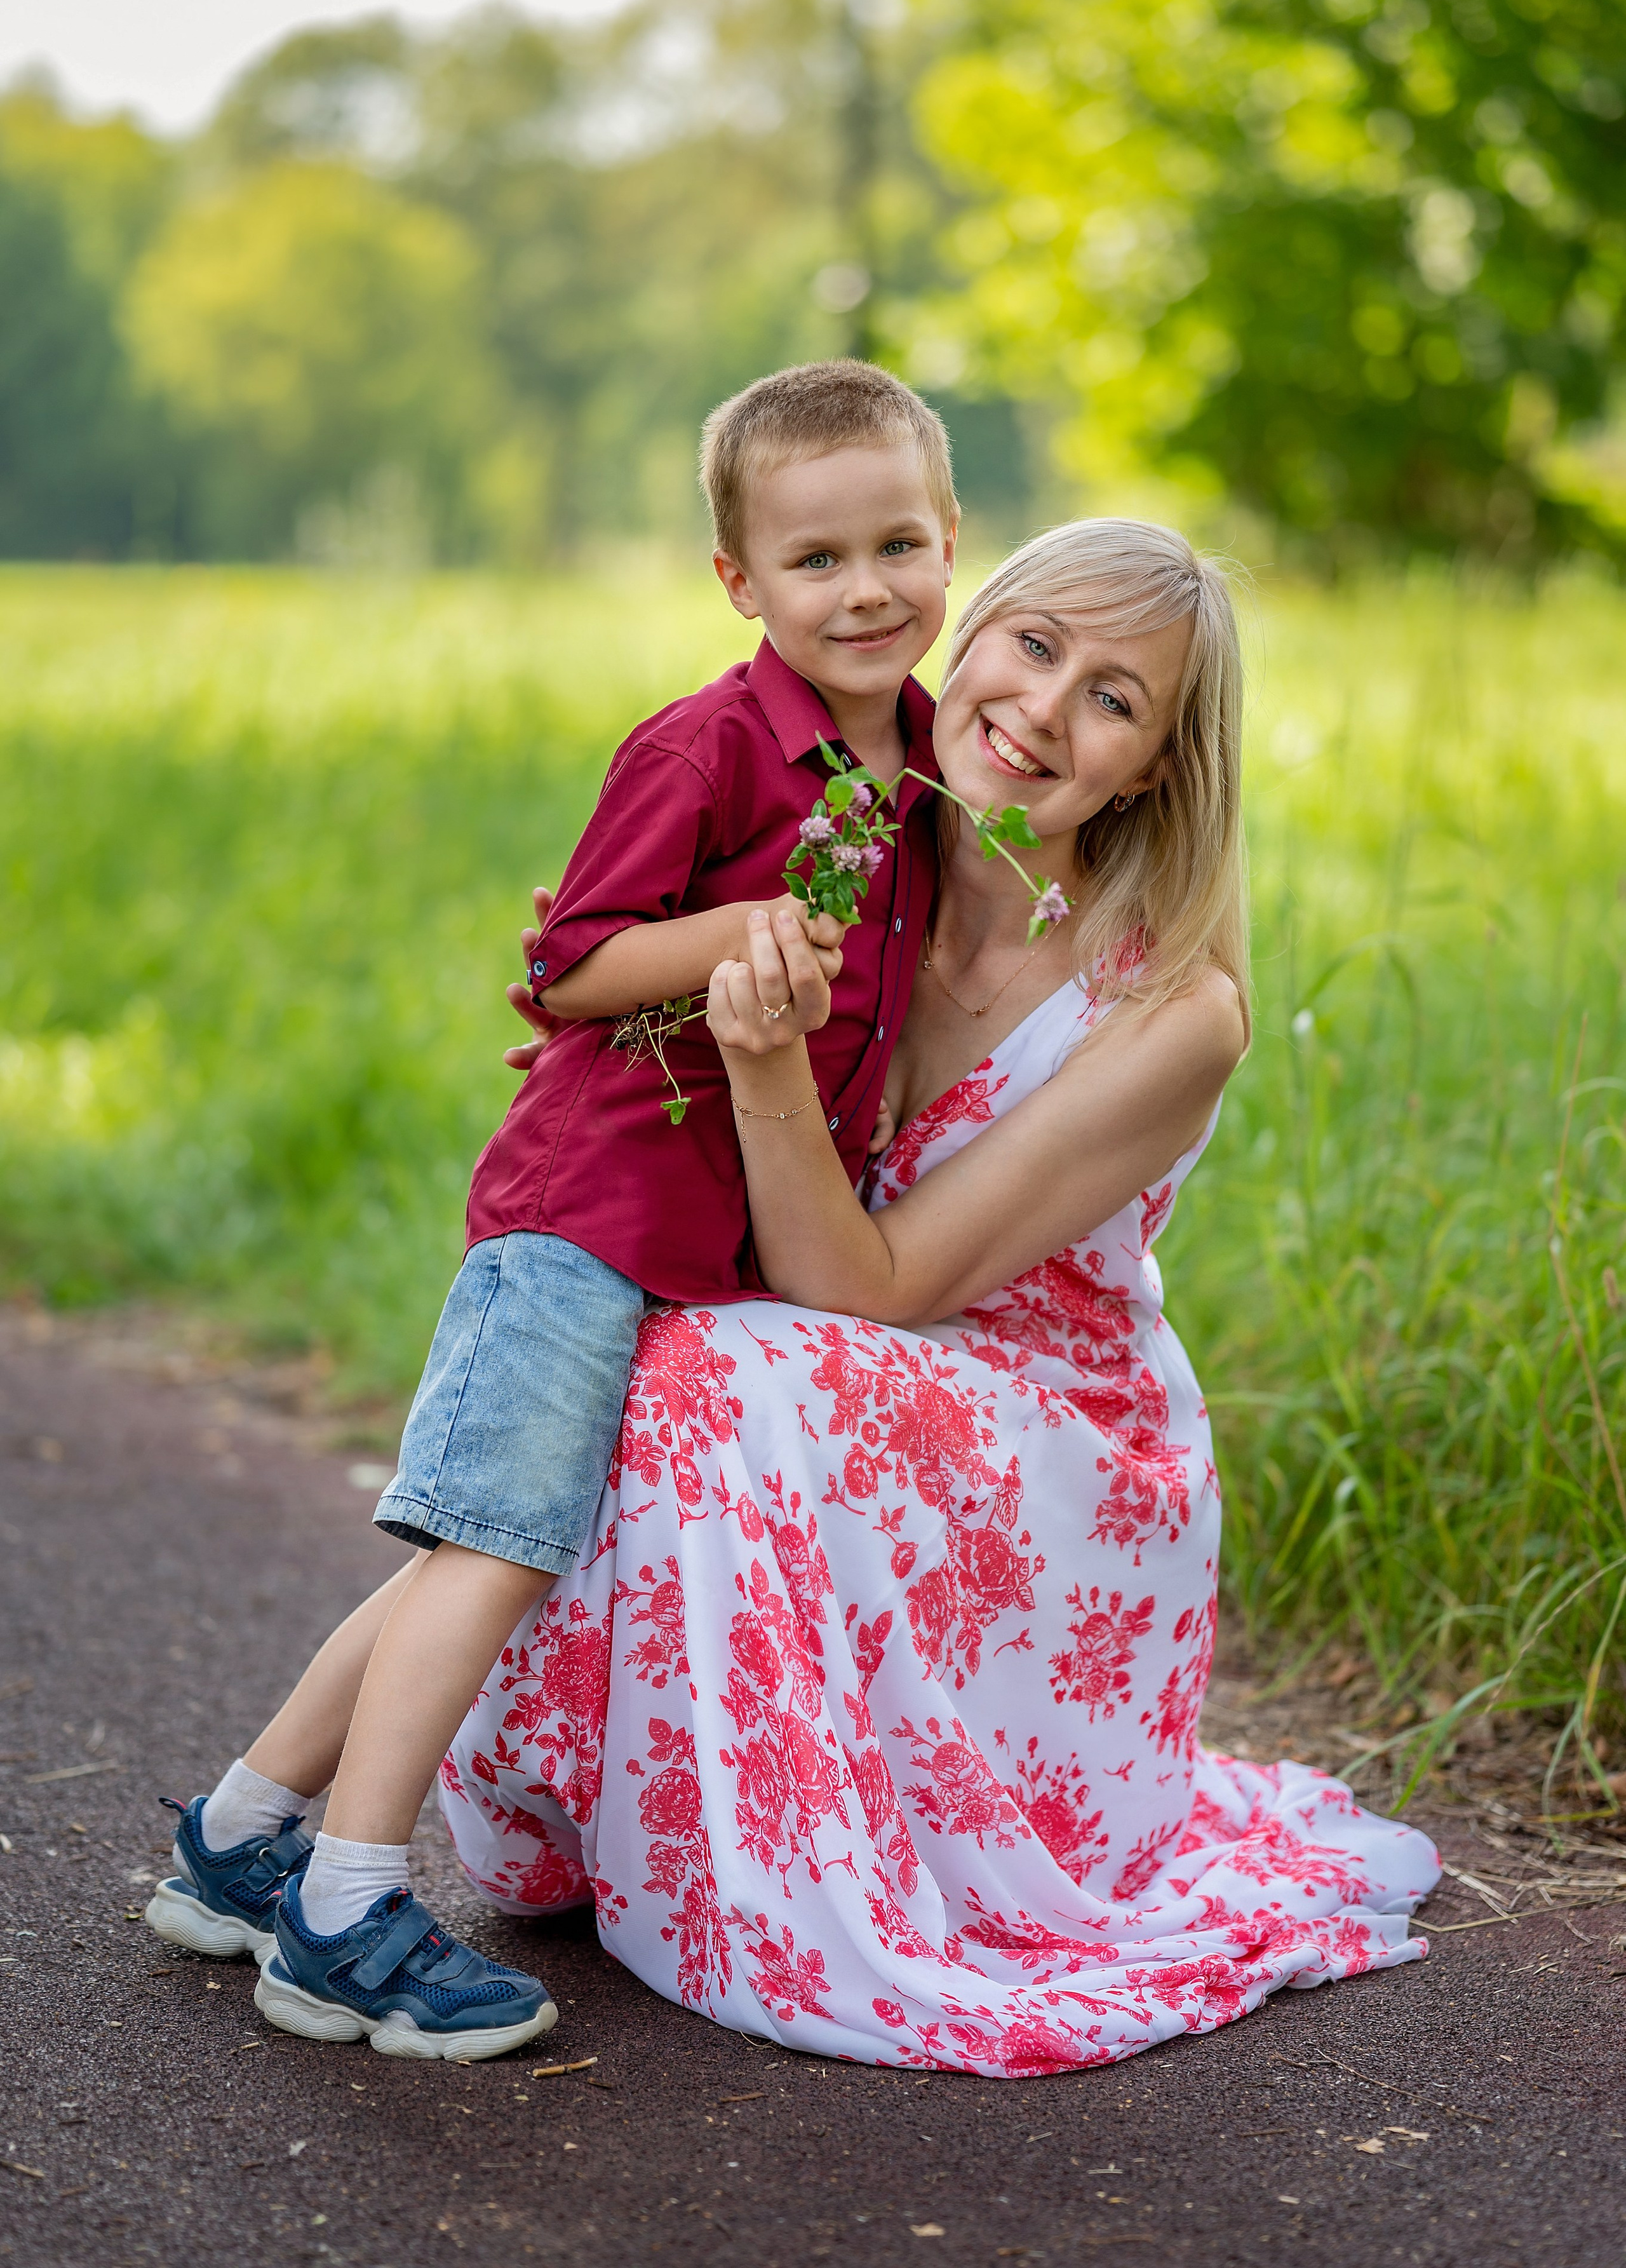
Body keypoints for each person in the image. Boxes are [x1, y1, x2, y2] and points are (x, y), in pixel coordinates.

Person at [443, 517, 1441, 2074]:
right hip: (822, 1369)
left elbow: (869, 1284)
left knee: (705, 1369)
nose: (1043, 708)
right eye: (1033, 645)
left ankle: (769, 1871)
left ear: (1153, 771)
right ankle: (501, 1804)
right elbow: (603, 969)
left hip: (1047, 1445)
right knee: (596, 1323)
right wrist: (640, 1014)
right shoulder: (851, 856)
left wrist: (759, 1059)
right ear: (965, 640)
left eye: (1112, 699)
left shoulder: (1171, 1009)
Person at [144, 358, 959, 2062]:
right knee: (499, 1542)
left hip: (709, 1243)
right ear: (739, 581)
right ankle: (346, 1913)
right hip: (589, 1211)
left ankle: (236, 1840)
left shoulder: (930, 764)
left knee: (484, 1543)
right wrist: (743, 936)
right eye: (814, 559)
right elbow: (573, 961)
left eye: (898, 544)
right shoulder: (706, 746)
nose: (865, 589)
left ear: (950, 538)